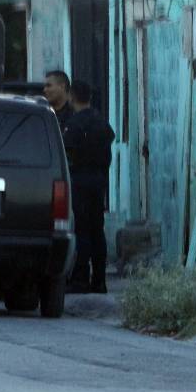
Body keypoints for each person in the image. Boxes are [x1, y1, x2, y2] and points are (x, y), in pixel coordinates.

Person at [60, 80, 115, 294]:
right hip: (99, 180)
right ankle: (99, 279)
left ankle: (81, 278)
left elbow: (68, 152)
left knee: (82, 229)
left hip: (81, 180)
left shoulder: (74, 124)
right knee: (96, 230)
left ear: (72, 97)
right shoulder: (100, 121)